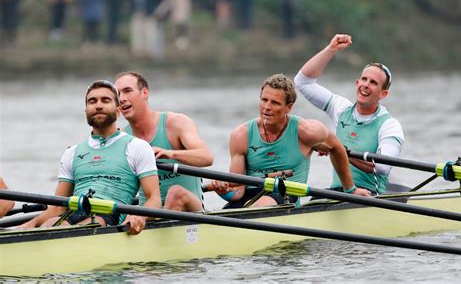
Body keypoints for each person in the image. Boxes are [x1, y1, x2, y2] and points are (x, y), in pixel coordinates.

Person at [19, 80, 161, 235]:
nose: (98, 105)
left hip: (110, 215)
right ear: (86, 111)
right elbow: (58, 207)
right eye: (92, 101)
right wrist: (29, 224)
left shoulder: (137, 147)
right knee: (50, 223)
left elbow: (154, 200)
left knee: (87, 225)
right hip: (74, 212)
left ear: (118, 110)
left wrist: (139, 215)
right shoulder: (71, 153)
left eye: (105, 100)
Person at [211, 73, 370, 209]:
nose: (267, 107)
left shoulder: (307, 131)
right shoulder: (241, 135)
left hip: (286, 194)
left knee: (258, 207)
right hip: (250, 197)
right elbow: (238, 192)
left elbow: (336, 148)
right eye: (264, 100)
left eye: (274, 103)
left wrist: (351, 190)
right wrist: (223, 191)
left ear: (288, 107)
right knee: (222, 215)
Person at [294, 34, 404, 195]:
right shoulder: (340, 108)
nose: (366, 85)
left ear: (383, 94)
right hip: (339, 192)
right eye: (364, 79)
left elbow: (382, 167)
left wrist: (337, 150)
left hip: (370, 195)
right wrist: (331, 49)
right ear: (357, 83)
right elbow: (303, 82)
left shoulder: (390, 125)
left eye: (373, 83)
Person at [115, 71, 213, 212]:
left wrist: (170, 154)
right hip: (149, 217)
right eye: (118, 94)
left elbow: (207, 157)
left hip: (191, 212)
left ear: (144, 93)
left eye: (127, 91)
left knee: (175, 193)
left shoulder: (176, 123)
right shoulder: (122, 138)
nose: (122, 98)